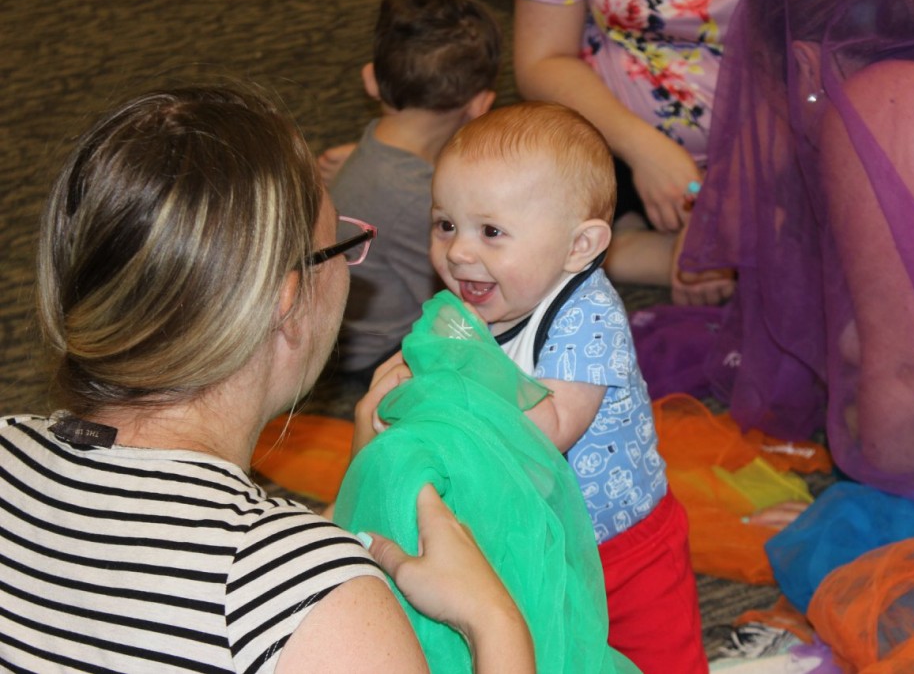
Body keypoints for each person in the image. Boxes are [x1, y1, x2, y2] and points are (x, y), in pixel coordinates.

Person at [0, 85, 534, 673]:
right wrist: (493, 622)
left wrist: (339, 511)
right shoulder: (319, 609)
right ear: (286, 303)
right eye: (341, 245)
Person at [680, 0, 914, 554]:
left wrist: (870, 514)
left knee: (857, 563)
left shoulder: (879, 105)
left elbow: (911, 370)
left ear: (805, 64)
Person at [429, 101, 707, 674]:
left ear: (578, 247)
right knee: (555, 649)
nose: (458, 251)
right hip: (537, 535)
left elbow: (549, 429)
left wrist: (451, 403)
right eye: (445, 224)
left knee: (658, 657)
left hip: (623, 544)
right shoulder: (473, 301)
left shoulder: (588, 316)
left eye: (491, 231)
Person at [512, 0, 741, 304]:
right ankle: (659, 253)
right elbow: (543, 60)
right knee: (501, 199)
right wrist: (645, 150)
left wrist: (721, 202)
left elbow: (809, 78)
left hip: (769, 147)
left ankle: (631, 251)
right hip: (608, 132)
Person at [320, 0, 501, 378]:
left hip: (354, 325)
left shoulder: (383, 146)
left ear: (371, 80)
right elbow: (470, 287)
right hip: (380, 349)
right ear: (480, 104)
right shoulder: (420, 199)